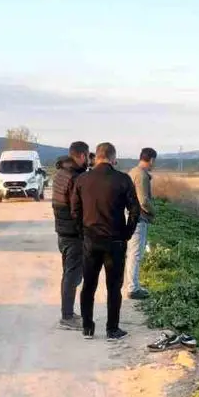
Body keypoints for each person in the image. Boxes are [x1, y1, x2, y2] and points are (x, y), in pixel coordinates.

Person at [71, 142, 140, 340]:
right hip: (116, 241)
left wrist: (82, 232)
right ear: (112, 157)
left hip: (91, 240)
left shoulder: (82, 179)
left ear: (97, 156)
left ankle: (87, 326)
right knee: (113, 287)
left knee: (89, 286)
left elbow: (74, 211)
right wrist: (127, 233)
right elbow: (135, 210)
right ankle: (112, 329)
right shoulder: (123, 179)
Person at [51, 141, 91, 330]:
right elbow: (77, 208)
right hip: (73, 233)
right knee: (72, 274)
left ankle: (68, 313)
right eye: (87, 156)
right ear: (82, 155)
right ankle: (67, 317)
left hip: (63, 231)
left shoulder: (60, 172)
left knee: (69, 272)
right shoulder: (74, 177)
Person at [127, 147, 157, 299]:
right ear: (151, 159)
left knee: (132, 253)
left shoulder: (133, 171)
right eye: (154, 161)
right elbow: (143, 200)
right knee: (136, 254)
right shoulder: (142, 175)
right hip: (139, 218)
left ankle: (133, 284)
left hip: (130, 217)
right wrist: (154, 211)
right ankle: (133, 288)